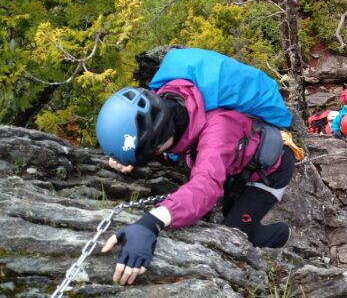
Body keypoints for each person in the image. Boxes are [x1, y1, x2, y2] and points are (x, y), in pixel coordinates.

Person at [96, 48, 296, 286]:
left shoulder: (219, 127)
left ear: (163, 136)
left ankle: (280, 234)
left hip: (269, 172)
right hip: (236, 160)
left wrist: (150, 223)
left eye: (154, 152)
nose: (156, 157)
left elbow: (207, 185)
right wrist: (126, 157)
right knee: (229, 213)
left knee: (235, 235)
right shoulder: (167, 98)